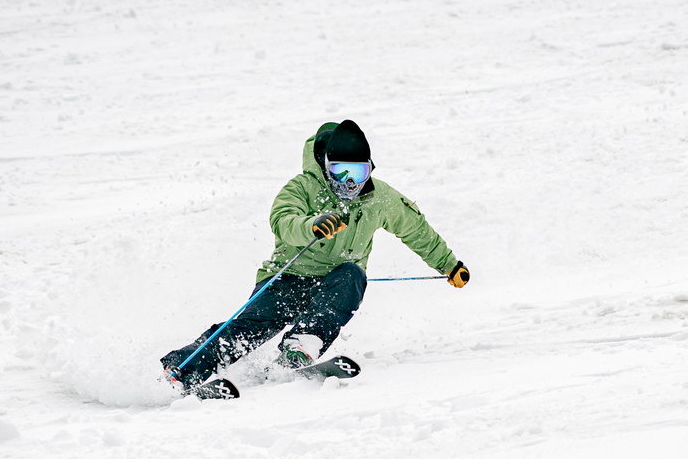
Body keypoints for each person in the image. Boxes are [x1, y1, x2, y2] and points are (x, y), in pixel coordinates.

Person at [161, 119, 469, 391]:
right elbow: (283, 220)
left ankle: (299, 347)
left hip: (336, 283)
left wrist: (449, 264)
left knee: (351, 274)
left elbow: (416, 230)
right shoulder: (304, 187)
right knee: (247, 329)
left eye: (358, 171)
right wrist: (312, 225)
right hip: (287, 277)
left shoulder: (380, 197)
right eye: (340, 171)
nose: (350, 181)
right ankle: (184, 368)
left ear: (370, 168)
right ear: (325, 165)